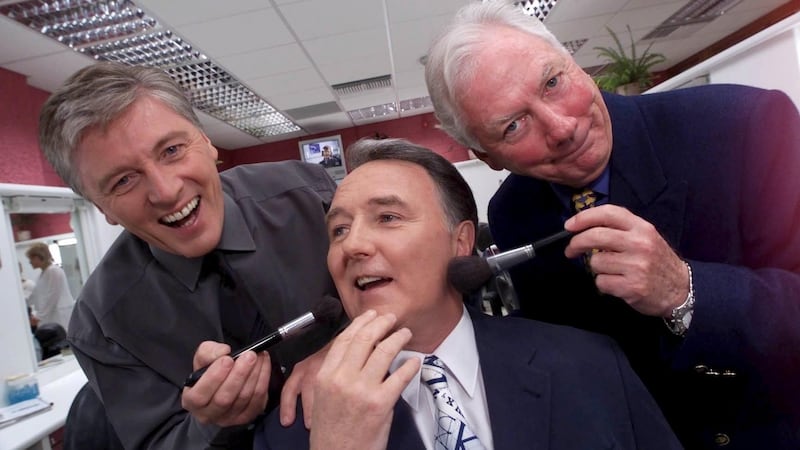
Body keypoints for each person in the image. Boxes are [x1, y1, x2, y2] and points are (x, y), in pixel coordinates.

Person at [424, 2, 800, 449]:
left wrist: (684, 290)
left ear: (577, 67)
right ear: (488, 158)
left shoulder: (746, 124)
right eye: (513, 126)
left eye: (552, 83)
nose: (561, 127)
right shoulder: (514, 212)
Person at [255, 138, 682, 450]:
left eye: (387, 217)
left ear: (461, 242)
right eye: (339, 230)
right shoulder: (295, 430)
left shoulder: (589, 363)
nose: (352, 246)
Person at [37, 62, 345, 449]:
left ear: (207, 141)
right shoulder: (101, 327)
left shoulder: (309, 197)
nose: (165, 191)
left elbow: (417, 296)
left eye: (171, 150)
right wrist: (210, 426)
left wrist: (341, 349)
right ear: (104, 209)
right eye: (123, 180)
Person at [25, 242, 74, 331]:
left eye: (31, 259)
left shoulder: (54, 271)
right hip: (51, 315)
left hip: (59, 315)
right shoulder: (42, 274)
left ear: (37, 257)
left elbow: (53, 296)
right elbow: (35, 295)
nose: (30, 262)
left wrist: (39, 316)